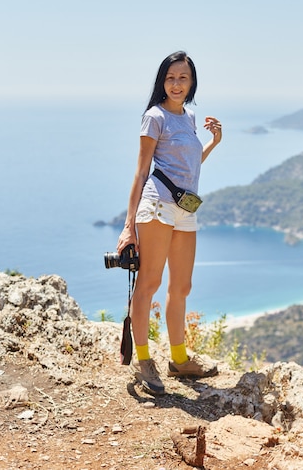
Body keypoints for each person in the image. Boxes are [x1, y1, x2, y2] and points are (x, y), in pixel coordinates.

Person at [116, 51, 222, 395]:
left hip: (185, 209)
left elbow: (188, 167)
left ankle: (179, 359)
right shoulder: (154, 117)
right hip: (156, 206)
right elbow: (141, 171)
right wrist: (128, 225)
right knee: (149, 282)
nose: (177, 84)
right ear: (162, 81)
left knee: (182, 287)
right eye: (171, 78)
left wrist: (213, 143)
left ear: (192, 83)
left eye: (183, 78)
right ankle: (144, 361)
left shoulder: (189, 118)